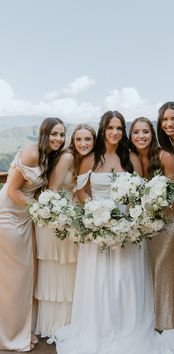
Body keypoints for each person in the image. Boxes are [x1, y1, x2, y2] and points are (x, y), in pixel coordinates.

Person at [53, 111, 174, 354]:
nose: (115, 132)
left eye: (119, 128)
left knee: (124, 277)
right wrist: (94, 209)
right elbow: (80, 191)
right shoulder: (90, 158)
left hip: (127, 229)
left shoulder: (131, 157)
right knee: (99, 279)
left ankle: (127, 325)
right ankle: (99, 327)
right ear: (103, 129)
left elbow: (142, 193)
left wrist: (129, 217)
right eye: (110, 127)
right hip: (97, 228)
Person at [0, 117, 65, 352]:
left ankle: (21, 329)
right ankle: (10, 336)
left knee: (25, 277)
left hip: (24, 218)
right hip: (8, 218)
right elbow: (13, 189)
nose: (58, 138)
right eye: (54, 134)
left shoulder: (49, 155)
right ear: (43, 134)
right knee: (15, 279)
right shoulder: (32, 153)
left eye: (62, 134)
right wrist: (38, 208)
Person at [35, 124, 96, 339]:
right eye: (78, 139)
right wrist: (62, 217)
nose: (83, 144)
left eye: (88, 139)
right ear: (73, 141)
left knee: (70, 271)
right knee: (60, 269)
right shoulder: (69, 157)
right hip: (56, 221)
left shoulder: (85, 159)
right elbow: (52, 190)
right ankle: (56, 325)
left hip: (70, 220)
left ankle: (69, 322)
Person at [148, 103, 174, 334]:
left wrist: (173, 192)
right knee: (162, 264)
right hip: (167, 208)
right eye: (164, 120)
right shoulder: (169, 144)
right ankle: (162, 316)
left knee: (168, 263)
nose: (169, 124)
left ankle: (171, 321)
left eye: (173, 119)